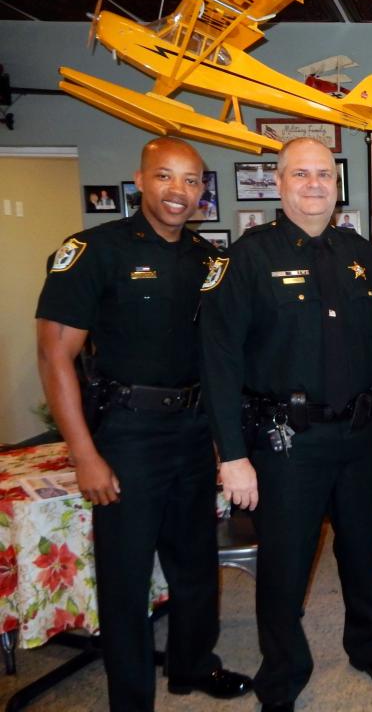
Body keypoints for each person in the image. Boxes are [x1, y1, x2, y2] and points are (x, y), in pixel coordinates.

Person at [35, 136, 252, 711]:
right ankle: (130, 699)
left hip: (192, 430)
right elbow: (54, 355)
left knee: (197, 564)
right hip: (126, 434)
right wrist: (84, 453)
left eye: (190, 180)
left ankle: (192, 666)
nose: (177, 191)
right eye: (165, 177)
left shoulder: (208, 260)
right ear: (139, 180)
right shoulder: (93, 250)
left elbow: (219, 353)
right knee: (126, 578)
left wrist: (218, 437)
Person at [200, 137, 372, 712]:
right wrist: (232, 455)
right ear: (279, 182)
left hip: (360, 437)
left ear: (337, 185)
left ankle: (368, 647)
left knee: (362, 552)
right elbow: (218, 361)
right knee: (285, 564)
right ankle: (284, 672)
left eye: (324, 174)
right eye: (301, 174)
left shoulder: (362, 255)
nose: (314, 184)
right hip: (285, 443)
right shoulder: (247, 258)